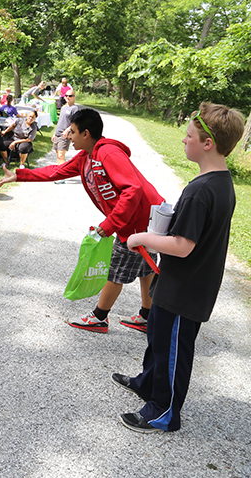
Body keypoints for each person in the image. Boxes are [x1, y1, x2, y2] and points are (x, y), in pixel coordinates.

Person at [116, 102, 245, 433]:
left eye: (188, 135)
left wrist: (141, 237)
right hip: (177, 285)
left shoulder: (201, 191)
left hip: (185, 292)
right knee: (158, 338)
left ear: (208, 143)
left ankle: (164, 412)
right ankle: (147, 384)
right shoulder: (218, 182)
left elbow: (183, 246)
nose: (183, 140)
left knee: (173, 350)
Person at [0, 108, 164, 333]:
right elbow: (56, 172)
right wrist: (20, 175)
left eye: (72, 132)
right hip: (136, 220)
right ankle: (147, 316)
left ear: (86, 133)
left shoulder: (108, 153)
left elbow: (132, 190)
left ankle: (99, 318)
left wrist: (109, 226)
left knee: (116, 270)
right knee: (145, 266)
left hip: (137, 222)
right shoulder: (87, 157)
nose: (68, 136)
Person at [53, 89, 79, 168]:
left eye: (70, 96)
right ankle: (58, 172)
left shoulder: (74, 109)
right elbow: (60, 121)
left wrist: (67, 130)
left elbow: (75, 123)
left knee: (61, 155)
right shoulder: (63, 107)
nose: (68, 97)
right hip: (58, 133)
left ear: (74, 97)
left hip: (64, 135)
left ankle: (62, 175)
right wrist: (54, 133)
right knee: (58, 155)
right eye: (66, 95)